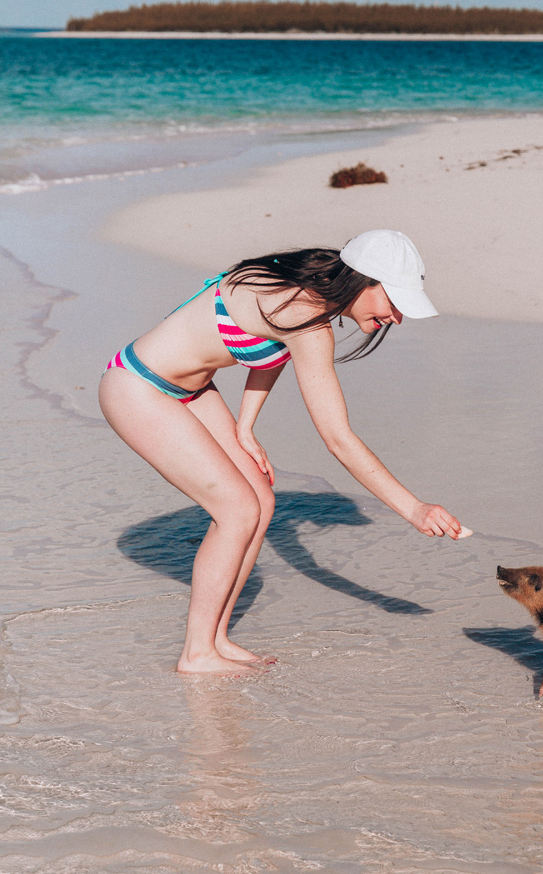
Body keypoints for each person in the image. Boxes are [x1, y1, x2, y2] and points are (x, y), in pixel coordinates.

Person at [99, 229, 464, 675]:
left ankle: (215, 639)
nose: (398, 317)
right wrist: (414, 509)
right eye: (395, 301)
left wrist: (246, 426)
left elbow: (264, 349)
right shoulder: (306, 317)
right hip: (137, 387)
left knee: (261, 501)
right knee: (235, 509)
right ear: (365, 281)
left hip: (192, 389)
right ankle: (197, 653)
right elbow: (338, 439)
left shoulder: (298, 288)